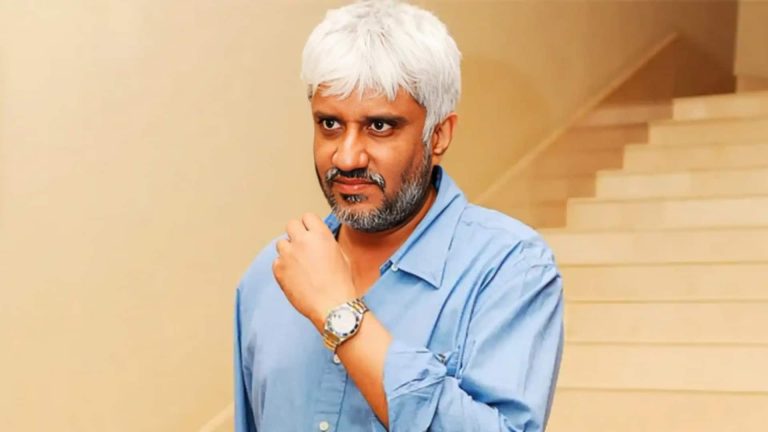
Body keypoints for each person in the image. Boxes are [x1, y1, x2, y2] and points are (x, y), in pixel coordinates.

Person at [233, 1, 564, 431]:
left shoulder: (510, 268)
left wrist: (339, 312)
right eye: (330, 124)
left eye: (379, 126)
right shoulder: (268, 276)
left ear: (438, 135)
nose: (347, 157)